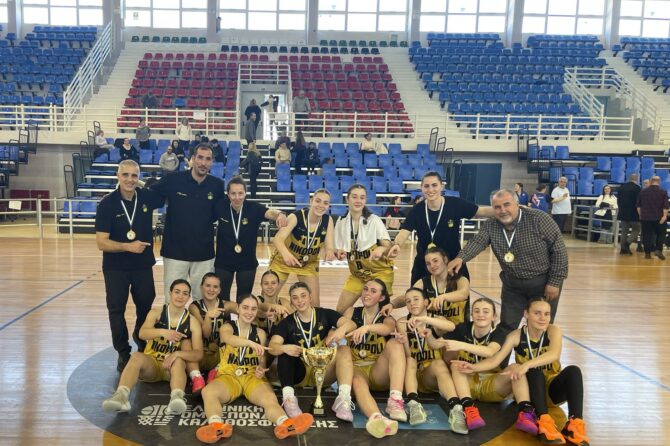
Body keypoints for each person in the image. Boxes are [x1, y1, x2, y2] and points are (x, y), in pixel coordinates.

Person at [452, 297, 590, 446]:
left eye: (546, 314)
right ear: (526, 314)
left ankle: (574, 424)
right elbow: (496, 360)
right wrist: (473, 367)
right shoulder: (515, 336)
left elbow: (554, 354)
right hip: (531, 391)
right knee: (533, 372)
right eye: (537, 313)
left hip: (551, 390)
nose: (542, 318)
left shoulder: (553, 331)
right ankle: (543, 422)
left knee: (574, 371)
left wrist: (527, 364)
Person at [196, 294, 314, 443]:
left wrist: (261, 368)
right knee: (208, 392)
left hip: (252, 376)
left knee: (270, 399)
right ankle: (216, 426)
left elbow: (262, 359)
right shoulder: (227, 327)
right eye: (245, 307)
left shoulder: (260, 333)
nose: (249, 312)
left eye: (253, 309)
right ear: (238, 308)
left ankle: (285, 424)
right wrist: (249, 343)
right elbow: (228, 339)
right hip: (228, 376)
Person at [447, 189, 568, 335]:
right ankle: (502, 351)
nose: (502, 210)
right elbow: (478, 242)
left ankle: (541, 350)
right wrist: (461, 258)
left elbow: (559, 250)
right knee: (506, 327)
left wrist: (555, 281)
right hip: (512, 286)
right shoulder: (491, 225)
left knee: (541, 327)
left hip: (542, 283)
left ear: (517, 204)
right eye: (497, 207)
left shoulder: (539, 219)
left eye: (507, 205)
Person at [95, 160, 165, 372]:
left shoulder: (145, 197)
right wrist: (127, 246)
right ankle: (123, 352)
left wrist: (144, 185)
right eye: (125, 175)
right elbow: (101, 242)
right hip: (115, 268)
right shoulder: (107, 204)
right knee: (116, 310)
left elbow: (164, 193)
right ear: (118, 176)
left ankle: (140, 338)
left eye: (134, 176)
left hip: (142, 265)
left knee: (145, 305)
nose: (129, 180)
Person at [102, 280, 204, 415]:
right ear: (170, 293)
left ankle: (177, 399)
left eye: (185, 293)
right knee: (136, 356)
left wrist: (177, 354)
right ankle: (121, 397)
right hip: (152, 365)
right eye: (177, 292)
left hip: (172, 368)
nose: (180, 296)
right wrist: (162, 332)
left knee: (179, 361)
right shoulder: (156, 313)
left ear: (189, 297)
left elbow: (198, 354)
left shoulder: (192, 321)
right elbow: (142, 333)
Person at [268, 282, 356, 422]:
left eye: (303, 296)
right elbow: (272, 346)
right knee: (284, 351)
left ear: (310, 297)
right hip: (300, 373)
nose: (300, 300)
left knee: (344, 349)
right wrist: (284, 348)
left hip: (324, 371)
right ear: (291, 302)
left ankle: (343, 400)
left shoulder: (325, 314)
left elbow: (351, 324)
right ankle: (289, 399)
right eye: (295, 298)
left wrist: (340, 330)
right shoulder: (287, 323)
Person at [150, 144, 225, 301]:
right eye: (200, 158)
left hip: (204, 255)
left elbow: (219, 213)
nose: (203, 163)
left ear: (211, 162)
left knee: (203, 300)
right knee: (173, 300)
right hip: (175, 253)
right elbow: (148, 195)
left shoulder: (217, 185)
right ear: (192, 159)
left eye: (208, 159)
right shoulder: (173, 180)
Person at [388, 171, 493, 284]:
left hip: (452, 262)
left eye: (434, 185)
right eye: (426, 186)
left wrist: (501, 210)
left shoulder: (455, 204)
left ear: (441, 186)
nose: (430, 190)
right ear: (421, 188)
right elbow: (405, 231)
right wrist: (397, 244)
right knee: (417, 294)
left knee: (460, 293)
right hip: (425, 264)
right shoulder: (417, 210)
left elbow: (481, 211)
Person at [429, 298, 512, 431]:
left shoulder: (499, 333)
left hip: (491, 383)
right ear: (472, 314)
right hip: (468, 384)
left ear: (494, 316)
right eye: (477, 311)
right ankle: (469, 408)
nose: (481, 314)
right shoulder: (464, 328)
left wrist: (461, 345)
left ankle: (527, 410)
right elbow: (435, 344)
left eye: (486, 311)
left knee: (515, 369)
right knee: (457, 365)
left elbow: (489, 351)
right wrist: (429, 334)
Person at [394, 288, 467, 433]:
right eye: (408, 301)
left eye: (416, 299)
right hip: (411, 375)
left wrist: (425, 320)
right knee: (410, 360)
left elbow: (451, 326)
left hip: (431, 375)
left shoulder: (436, 319)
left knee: (438, 363)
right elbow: (408, 355)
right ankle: (414, 404)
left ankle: (456, 409)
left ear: (426, 302)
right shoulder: (402, 322)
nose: (412, 303)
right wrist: (403, 342)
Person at [343, 279, 406, 437]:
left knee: (396, 344)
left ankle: (395, 400)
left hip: (378, 370)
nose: (367, 293)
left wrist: (367, 327)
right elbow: (342, 327)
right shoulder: (351, 312)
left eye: (373, 291)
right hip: (357, 368)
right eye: (365, 289)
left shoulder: (387, 318)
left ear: (382, 297)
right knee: (356, 381)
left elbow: (386, 329)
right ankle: (376, 417)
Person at [214, 176, 288, 301]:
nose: (237, 197)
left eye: (240, 193)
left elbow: (270, 212)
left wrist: (280, 214)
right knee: (222, 300)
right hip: (223, 263)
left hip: (247, 263)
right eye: (233, 193)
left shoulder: (254, 208)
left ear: (245, 193)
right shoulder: (220, 206)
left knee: (244, 300)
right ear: (228, 194)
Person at [268, 189, 335, 307]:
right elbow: (278, 239)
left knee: (314, 305)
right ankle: (283, 308)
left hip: (307, 264)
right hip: (283, 261)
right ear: (311, 201)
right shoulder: (296, 217)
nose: (321, 205)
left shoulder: (328, 220)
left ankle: (293, 312)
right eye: (318, 201)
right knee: (268, 298)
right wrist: (286, 254)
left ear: (328, 206)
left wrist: (330, 252)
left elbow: (329, 246)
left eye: (325, 203)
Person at [334, 184, 394, 313]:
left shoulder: (374, 220)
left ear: (365, 200)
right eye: (354, 197)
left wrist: (381, 249)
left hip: (379, 273)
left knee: (379, 312)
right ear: (347, 199)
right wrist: (338, 252)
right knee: (339, 312)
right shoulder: (340, 222)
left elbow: (388, 246)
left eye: (362, 197)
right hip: (358, 275)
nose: (358, 201)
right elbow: (337, 249)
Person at [186, 273, 238, 392]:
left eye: (215, 287)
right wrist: (208, 317)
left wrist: (265, 311)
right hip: (201, 354)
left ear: (219, 290)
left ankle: (216, 371)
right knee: (186, 344)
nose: (211, 289)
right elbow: (205, 334)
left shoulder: (226, 305)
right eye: (208, 285)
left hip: (221, 355)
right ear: (201, 287)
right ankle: (197, 377)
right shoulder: (194, 307)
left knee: (236, 339)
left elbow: (247, 310)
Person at [411, 246, 470, 327]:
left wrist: (443, 297)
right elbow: (408, 297)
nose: (432, 265)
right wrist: (393, 304)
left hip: (459, 331)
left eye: (435, 261)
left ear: (445, 260)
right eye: (428, 263)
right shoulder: (422, 283)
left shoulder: (460, 280)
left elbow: (463, 294)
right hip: (432, 331)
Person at [637, 175, 669, 260]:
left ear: (651, 181)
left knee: (646, 235)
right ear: (659, 182)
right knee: (661, 234)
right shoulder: (663, 191)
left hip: (646, 217)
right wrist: (664, 216)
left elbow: (638, 206)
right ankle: (658, 250)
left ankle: (647, 254)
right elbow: (666, 206)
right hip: (659, 217)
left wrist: (640, 215)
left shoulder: (643, 191)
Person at [617, 173, 642, 255]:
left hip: (623, 212)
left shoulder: (621, 187)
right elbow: (639, 202)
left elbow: (618, 200)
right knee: (636, 230)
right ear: (637, 179)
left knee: (624, 231)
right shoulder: (637, 188)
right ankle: (627, 243)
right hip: (634, 213)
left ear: (629, 178)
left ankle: (623, 249)